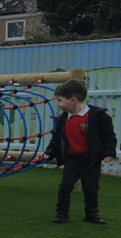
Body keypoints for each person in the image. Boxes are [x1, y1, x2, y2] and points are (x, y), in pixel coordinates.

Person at [42, 78, 117, 225]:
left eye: (60, 100)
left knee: (91, 189)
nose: (58, 104)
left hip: (90, 161)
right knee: (65, 187)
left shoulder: (98, 116)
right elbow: (56, 139)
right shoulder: (63, 119)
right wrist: (49, 152)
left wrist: (109, 152)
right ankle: (61, 214)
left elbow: (109, 137)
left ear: (73, 100)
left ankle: (92, 214)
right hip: (72, 160)